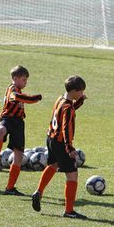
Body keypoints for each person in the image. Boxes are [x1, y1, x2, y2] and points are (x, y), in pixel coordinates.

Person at [31, 76, 87, 219]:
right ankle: (69, 211)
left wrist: (79, 102)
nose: (82, 94)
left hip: (51, 138)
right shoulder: (68, 107)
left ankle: (39, 191)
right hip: (61, 143)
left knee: (53, 164)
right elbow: (66, 127)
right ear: (74, 91)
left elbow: (66, 113)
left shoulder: (60, 99)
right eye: (80, 92)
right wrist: (69, 147)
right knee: (72, 175)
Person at [0, 65, 42, 195]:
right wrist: (35, 98)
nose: (26, 82)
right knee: (0, 131)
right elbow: (19, 98)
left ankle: (10, 188)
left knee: (18, 156)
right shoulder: (12, 90)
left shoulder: (17, 89)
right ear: (15, 78)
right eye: (24, 80)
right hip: (8, 119)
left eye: (26, 80)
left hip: (19, 124)